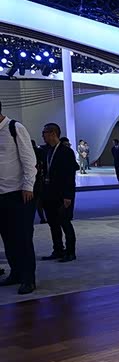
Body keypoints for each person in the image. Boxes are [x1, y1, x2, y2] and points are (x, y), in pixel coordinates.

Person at [0, 102, 38, 294]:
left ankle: (28, 279)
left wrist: (28, 186)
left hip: (19, 194)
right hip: (1, 196)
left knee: (22, 238)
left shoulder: (14, 128)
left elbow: (29, 161)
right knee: (7, 238)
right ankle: (15, 273)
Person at [40, 123, 79, 263]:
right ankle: (58, 249)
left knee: (65, 223)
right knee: (53, 224)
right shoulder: (46, 151)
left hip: (62, 195)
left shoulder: (66, 152)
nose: (43, 136)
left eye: (44, 133)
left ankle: (70, 252)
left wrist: (68, 195)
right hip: (48, 193)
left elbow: (70, 176)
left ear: (53, 133)